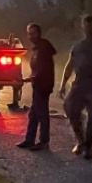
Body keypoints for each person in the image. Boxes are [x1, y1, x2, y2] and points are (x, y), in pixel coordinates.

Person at [58, 15, 92, 160]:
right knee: (71, 109)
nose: (88, 28)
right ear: (83, 27)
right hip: (79, 83)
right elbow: (70, 64)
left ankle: (88, 147)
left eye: (91, 25)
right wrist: (63, 84)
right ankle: (80, 141)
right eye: (86, 25)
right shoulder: (78, 47)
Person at [17, 23, 57, 151]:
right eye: (29, 33)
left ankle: (44, 142)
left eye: (33, 33)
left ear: (39, 33)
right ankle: (30, 140)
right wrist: (30, 78)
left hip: (43, 86)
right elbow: (36, 69)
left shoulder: (44, 48)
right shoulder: (37, 49)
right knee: (33, 114)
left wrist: (29, 79)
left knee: (42, 114)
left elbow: (44, 69)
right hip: (37, 84)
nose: (30, 36)